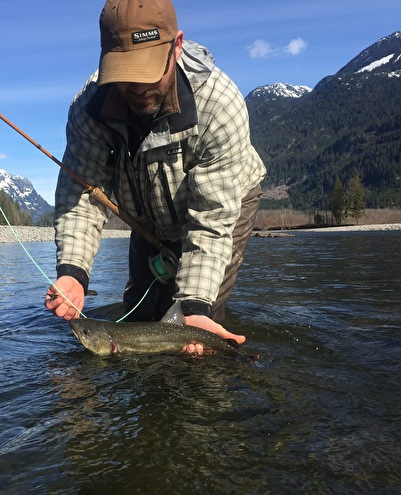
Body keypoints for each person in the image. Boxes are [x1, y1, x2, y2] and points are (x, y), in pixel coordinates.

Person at [45, 0, 266, 353]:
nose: (135, 86)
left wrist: (192, 307)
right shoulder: (90, 110)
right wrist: (73, 272)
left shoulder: (219, 105)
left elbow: (210, 222)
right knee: (142, 314)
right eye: (123, 73)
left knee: (199, 326)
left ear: (176, 46)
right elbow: (81, 193)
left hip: (224, 205)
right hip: (147, 211)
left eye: (146, 70)